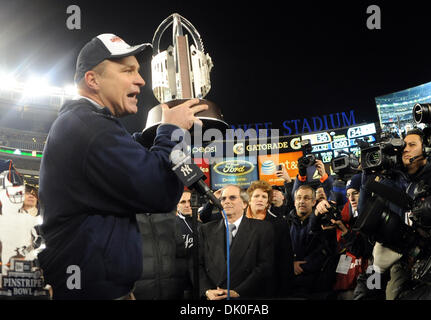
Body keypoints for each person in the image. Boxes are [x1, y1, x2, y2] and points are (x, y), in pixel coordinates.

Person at [37, 33, 208, 299]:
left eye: (139, 71)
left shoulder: (86, 123)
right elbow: (160, 191)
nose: (141, 80)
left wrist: (155, 135)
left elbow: (130, 158)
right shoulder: (89, 127)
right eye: (128, 71)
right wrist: (172, 131)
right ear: (92, 80)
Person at [358, 128, 431, 300]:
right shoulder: (393, 182)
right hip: (396, 257)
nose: (405, 149)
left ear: (426, 149)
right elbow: (364, 216)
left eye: (412, 145)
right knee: (370, 287)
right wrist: (366, 178)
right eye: (404, 145)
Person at [199, 184, 274, 300]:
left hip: (246, 298)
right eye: (223, 199)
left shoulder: (262, 229)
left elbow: (264, 266)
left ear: (244, 204)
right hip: (213, 297)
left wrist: (238, 292)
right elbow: (197, 265)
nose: (226, 201)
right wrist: (207, 291)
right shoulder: (205, 229)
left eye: (232, 198)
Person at [246, 180, 294, 298]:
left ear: (268, 202)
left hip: (270, 287)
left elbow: (285, 260)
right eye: (256, 196)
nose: (260, 199)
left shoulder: (279, 224)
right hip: (242, 286)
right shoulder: (238, 222)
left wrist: (285, 290)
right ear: (249, 200)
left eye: (264, 196)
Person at [289, 185, 337, 298]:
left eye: (306, 198)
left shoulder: (323, 222)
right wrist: (290, 265)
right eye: (299, 198)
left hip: (317, 286)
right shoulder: (285, 223)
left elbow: (325, 251)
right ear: (294, 201)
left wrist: (302, 267)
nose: (301, 201)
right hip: (291, 286)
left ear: (314, 202)